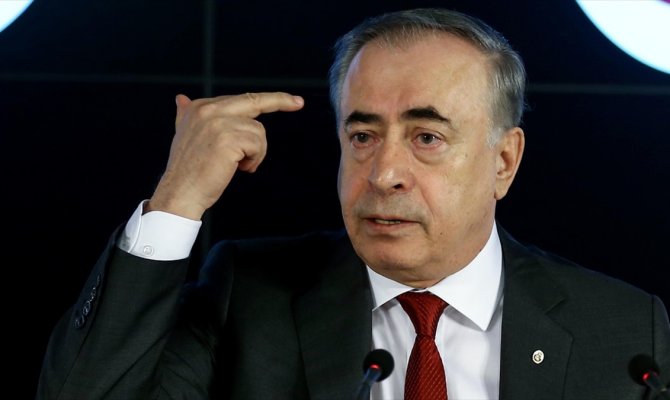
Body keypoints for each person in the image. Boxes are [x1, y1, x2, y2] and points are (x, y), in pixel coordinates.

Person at [37, 7, 669, 400]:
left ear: (503, 161)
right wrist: (177, 199)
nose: (384, 173)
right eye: (362, 136)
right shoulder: (249, 297)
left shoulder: (623, 331)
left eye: (426, 138)